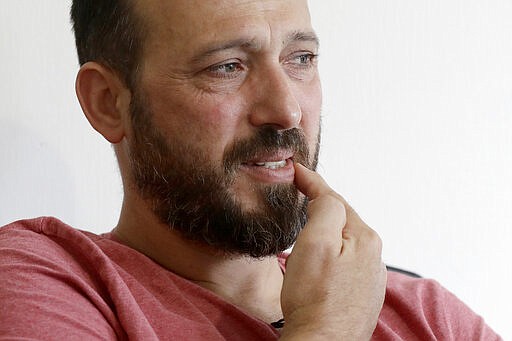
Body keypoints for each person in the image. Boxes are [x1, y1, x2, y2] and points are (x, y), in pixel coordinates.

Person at [0, 0, 501, 340]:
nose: (287, 110)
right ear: (109, 103)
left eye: (300, 58)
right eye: (227, 66)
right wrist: (328, 330)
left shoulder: (427, 316)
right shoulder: (48, 281)